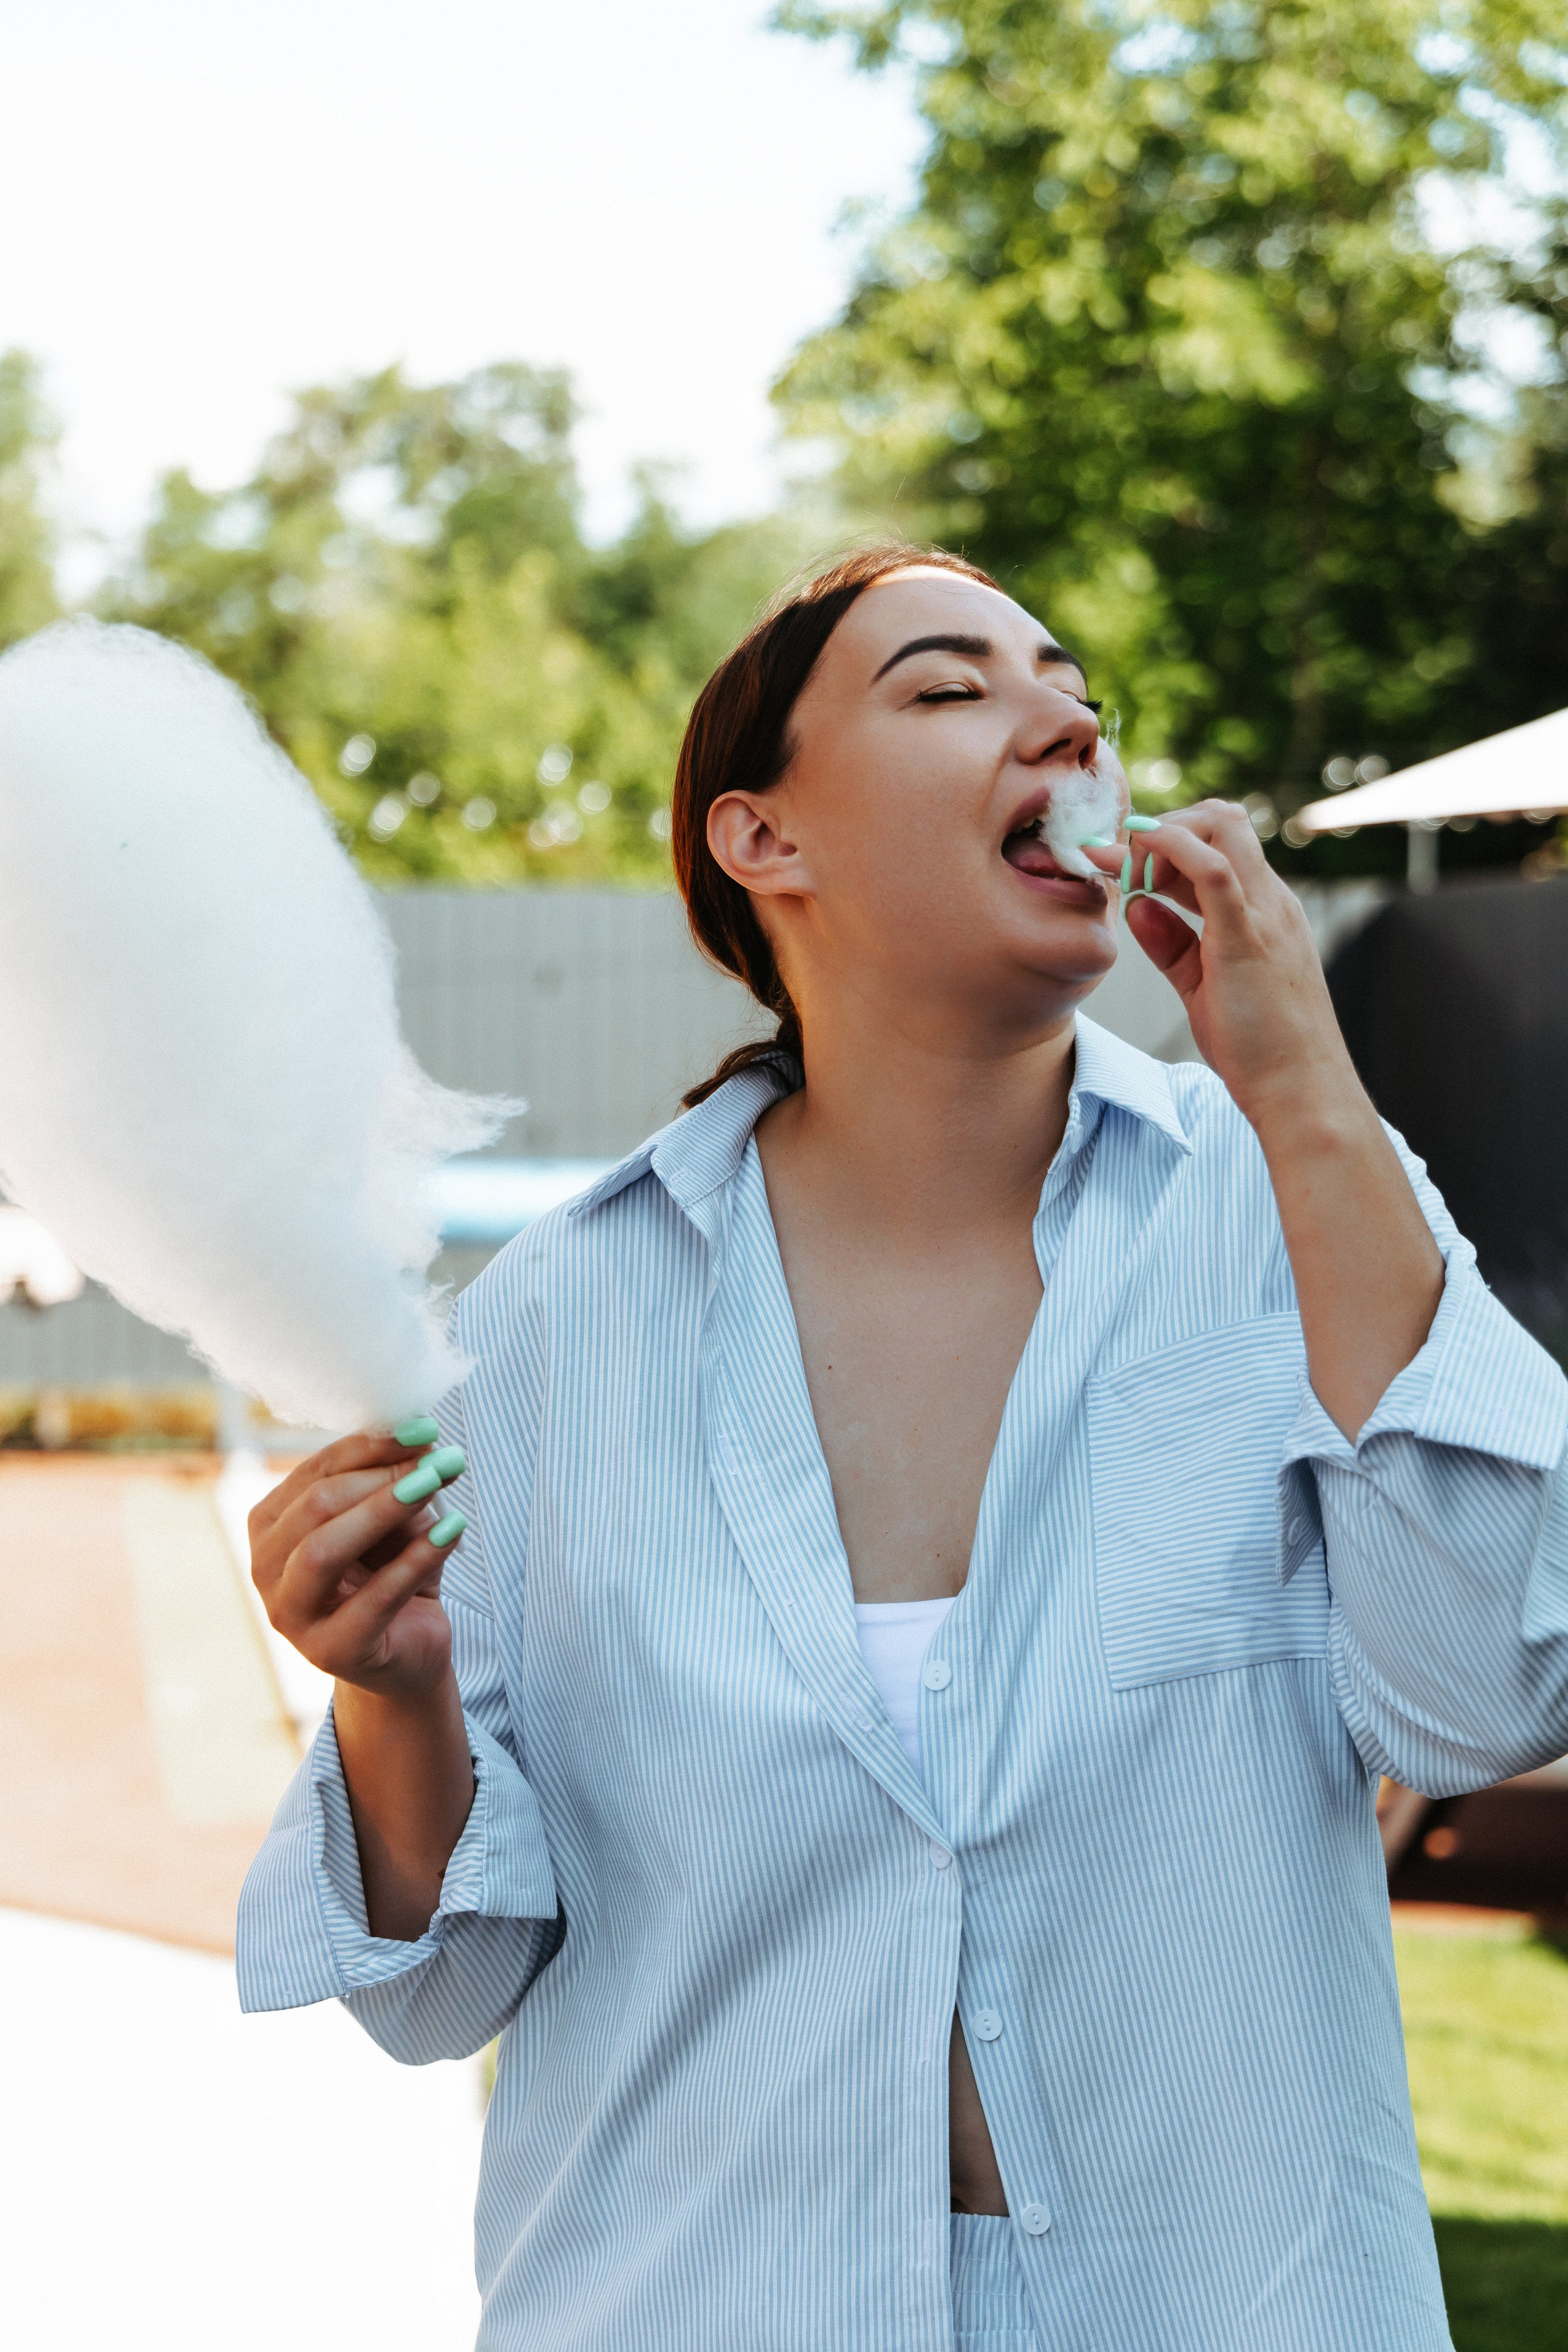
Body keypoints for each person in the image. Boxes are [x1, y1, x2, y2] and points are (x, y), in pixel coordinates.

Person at [239, 543, 1568, 2352]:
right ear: (762, 839)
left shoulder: (1295, 1206)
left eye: (1076, 695)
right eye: (950, 688)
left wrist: (1307, 1094)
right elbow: (433, 1991)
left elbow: (1493, 1688)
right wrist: (391, 1690)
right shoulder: (560, 1319)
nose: (1066, 725)